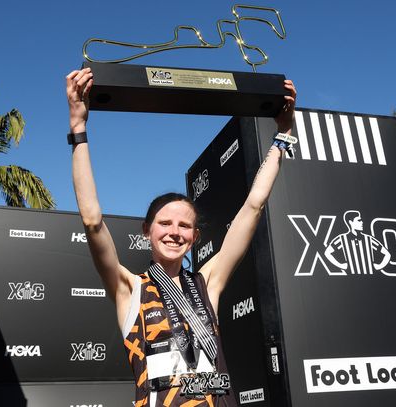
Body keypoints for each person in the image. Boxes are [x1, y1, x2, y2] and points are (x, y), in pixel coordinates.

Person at [66, 67, 296, 406]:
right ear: (147, 231)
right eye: (165, 223)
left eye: (184, 226)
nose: (174, 232)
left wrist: (283, 135)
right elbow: (92, 220)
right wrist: (78, 129)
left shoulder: (208, 283)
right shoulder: (130, 287)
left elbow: (254, 206)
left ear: (195, 236)